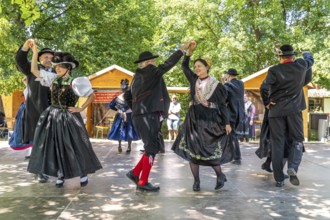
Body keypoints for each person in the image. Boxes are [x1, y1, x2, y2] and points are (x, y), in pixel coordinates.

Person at [27, 43, 102, 188]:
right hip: (53, 116)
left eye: (60, 67)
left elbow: (91, 96)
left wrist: (81, 108)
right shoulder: (52, 79)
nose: (56, 68)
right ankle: (60, 174)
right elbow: (34, 70)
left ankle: (83, 173)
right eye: (56, 66)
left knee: (76, 145)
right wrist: (35, 52)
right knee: (55, 146)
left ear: (67, 68)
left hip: (69, 117)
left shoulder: (76, 82)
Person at [125, 41, 191, 192]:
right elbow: (167, 64)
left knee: (151, 147)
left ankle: (136, 174)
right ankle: (142, 181)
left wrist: (136, 109)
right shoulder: (150, 71)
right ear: (148, 63)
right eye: (153, 61)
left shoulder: (136, 77)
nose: (155, 63)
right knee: (152, 147)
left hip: (140, 115)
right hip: (148, 115)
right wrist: (182, 49)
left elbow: (127, 96)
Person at [172, 41, 233, 192]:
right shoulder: (193, 79)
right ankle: (196, 181)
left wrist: (226, 123)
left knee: (209, 149)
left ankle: (220, 175)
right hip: (193, 119)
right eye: (196, 67)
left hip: (210, 119)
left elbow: (222, 106)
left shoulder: (216, 85)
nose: (197, 68)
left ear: (207, 67)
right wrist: (189, 51)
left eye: (200, 66)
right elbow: (184, 66)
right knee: (193, 151)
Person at [260, 44, 313, 187]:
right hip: (294, 110)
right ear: (293, 56)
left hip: (276, 111)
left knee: (277, 143)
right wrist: (307, 53)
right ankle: (293, 167)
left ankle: (278, 179)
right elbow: (310, 61)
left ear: (280, 57)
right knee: (297, 140)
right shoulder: (301, 65)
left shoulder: (274, 70)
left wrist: (267, 102)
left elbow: (264, 87)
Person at [15, 39, 55, 183]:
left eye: (51, 58)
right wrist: (26, 46)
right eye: (45, 57)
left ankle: (49, 168)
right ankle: (39, 171)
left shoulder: (57, 72)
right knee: (39, 143)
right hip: (36, 112)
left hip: (53, 113)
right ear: (38, 58)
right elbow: (20, 60)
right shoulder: (32, 69)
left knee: (50, 143)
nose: (48, 60)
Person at [107, 79, 140, 153]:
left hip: (124, 115)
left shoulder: (119, 97)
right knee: (127, 130)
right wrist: (118, 109)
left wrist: (118, 108)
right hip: (124, 115)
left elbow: (111, 105)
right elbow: (111, 105)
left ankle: (123, 146)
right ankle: (126, 146)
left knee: (125, 130)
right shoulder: (130, 97)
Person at [222, 68, 245, 165]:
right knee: (232, 135)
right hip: (240, 113)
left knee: (232, 135)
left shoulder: (227, 85)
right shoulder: (241, 84)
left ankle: (237, 157)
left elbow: (224, 98)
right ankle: (232, 156)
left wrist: (223, 83)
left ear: (228, 75)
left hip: (231, 113)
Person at [8, 77, 33, 157]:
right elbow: (24, 79)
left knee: (29, 130)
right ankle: (32, 152)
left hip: (29, 109)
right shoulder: (28, 87)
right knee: (25, 131)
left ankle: (33, 152)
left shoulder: (33, 87)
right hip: (25, 109)